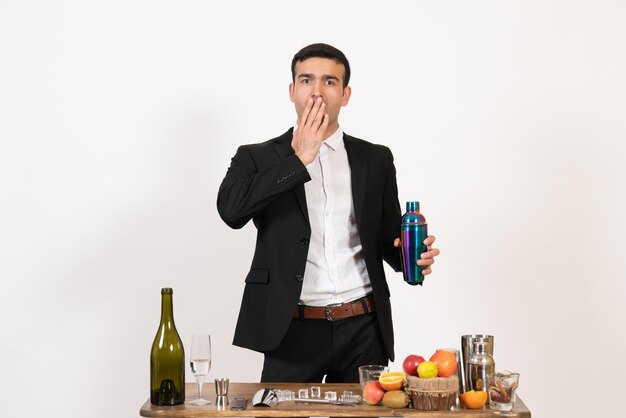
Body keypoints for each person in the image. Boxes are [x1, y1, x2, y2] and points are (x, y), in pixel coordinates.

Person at [217, 43, 440, 383]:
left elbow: (384, 239)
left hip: (363, 327)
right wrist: (299, 159)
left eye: (330, 82)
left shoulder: (375, 159)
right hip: (291, 329)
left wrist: (410, 254)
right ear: (292, 91)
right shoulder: (256, 157)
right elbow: (231, 211)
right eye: (307, 80)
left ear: (345, 94)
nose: (317, 91)